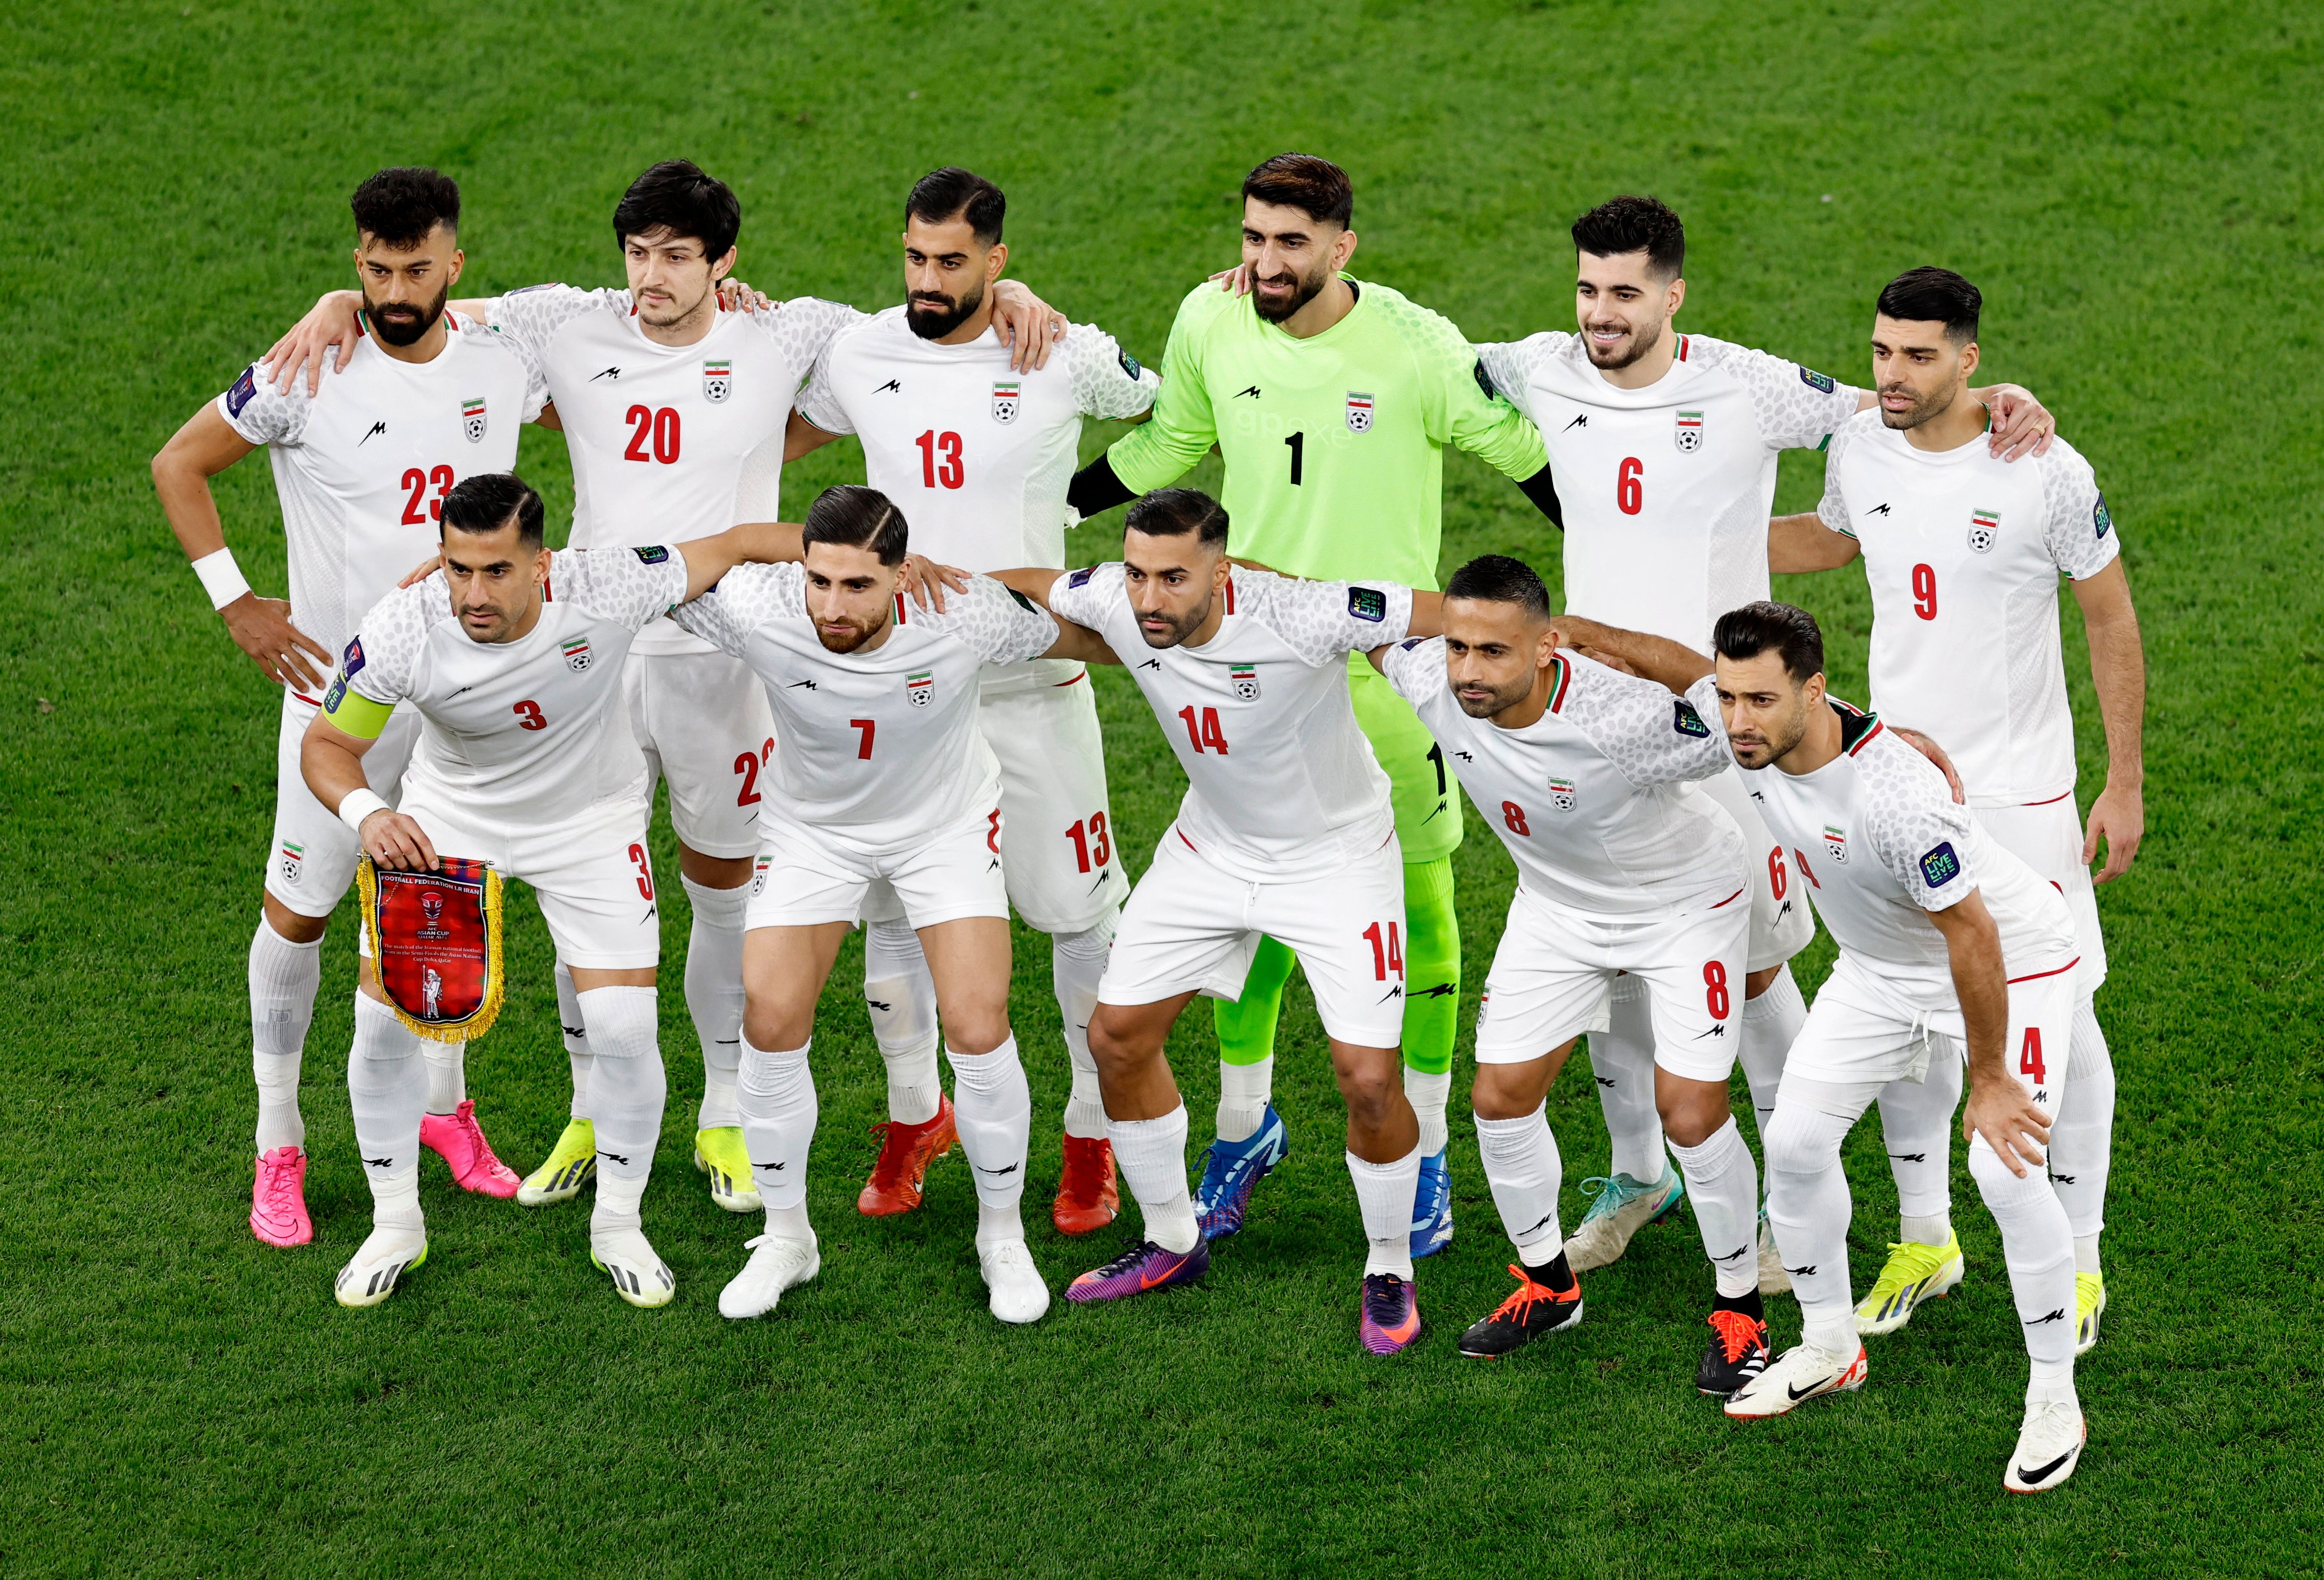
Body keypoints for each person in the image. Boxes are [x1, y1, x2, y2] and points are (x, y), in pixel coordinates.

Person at [263, 161, 1065, 1217]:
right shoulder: (566, 322)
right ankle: (593, 1106)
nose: (651, 276)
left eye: (679, 256)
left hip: (722, 651)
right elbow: (418, 303)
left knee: (720, 888)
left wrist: (1009, 295)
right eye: (639, 253)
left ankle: (725, 1109)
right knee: (574, 873)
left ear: (725, 262)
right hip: (584, 645)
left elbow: (919, 319)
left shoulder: (783, 332)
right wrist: (335, 299)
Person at [1472, 195, 2056, 1284]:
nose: (1603, 315)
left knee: (1754, 969)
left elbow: (1887, 408)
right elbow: (1423, 357)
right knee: (1615, 958)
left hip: (1730, 727)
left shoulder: (1747, 386)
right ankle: (1640, 1173)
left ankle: (1793, 1200)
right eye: (1590, 289)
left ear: (1674, 294)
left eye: (1626, 293)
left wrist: (1991, 399)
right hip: (1597, 721)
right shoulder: (1541, 365)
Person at [1065, 154, 1563, 1257]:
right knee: (1252, 907)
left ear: (1345, 246)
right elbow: (1164, 445)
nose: (1267, 263)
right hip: (1245, 667)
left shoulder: (1415, 346)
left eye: (1292, 243)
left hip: (1385, 675)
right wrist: (1041, 498)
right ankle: (1245, 1124)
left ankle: (1425, 1150)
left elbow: (1529, 457)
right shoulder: (1212, 315)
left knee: (1419, 911)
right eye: (1254, 238)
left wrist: (1635, 568)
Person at [1612, 600, 2087, 1492]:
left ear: (1813, 691)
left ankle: (2055, 1396)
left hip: (2010, 965)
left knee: (2003, 1169)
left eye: (1758, 700)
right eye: (1728, 697)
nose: (1737, 722)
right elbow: (1666, 660)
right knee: (1792, 1146)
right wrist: (1572, 636)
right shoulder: (1757, 730)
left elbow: (1974, 937)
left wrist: (1987, 1078)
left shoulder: (1900, 799)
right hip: (1879, 970)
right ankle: (1829, 1345)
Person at [151, 167, 542, 1248]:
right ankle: (279, 1141)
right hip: (341, 703)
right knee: (302, 909)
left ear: (454, 265)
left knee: (444, 904)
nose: (393, 288)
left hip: (464, 696)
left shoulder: (504, 353)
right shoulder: (303, 370)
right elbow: (179, 462)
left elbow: (630, 344)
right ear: (356, 260)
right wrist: (238, 604)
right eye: (374, 268)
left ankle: (441, 1110)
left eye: (417, 268)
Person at [300, 473, 795, 1308]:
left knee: (626, 1027)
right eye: (458, 568)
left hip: (588, 821)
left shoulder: (606, 583)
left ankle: (619, 1225)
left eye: (496, 570)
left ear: (543, 564)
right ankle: (395, 1223)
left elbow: (737, 544)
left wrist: (891, 562)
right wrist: (368, 814)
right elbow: (326, 745)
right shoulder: (404, 624)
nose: (472, 593)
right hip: (450, 816)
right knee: (381, 1023)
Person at [1770, 266, 2143, 1354]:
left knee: (2062, 1026)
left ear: (1971, 359)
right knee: (1906, 1001)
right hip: (1891, 778)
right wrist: (1684, 537)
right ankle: (1929, 1235)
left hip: (2022, 795)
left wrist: (2123, 781)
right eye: (1883, 351)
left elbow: (2111, 624)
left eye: (1920, 355)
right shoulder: (1858, 443)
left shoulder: (2048, 471)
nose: (1893, 373)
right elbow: (1842, 539)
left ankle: (2079, 1255)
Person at [782, 168, 1159, 1235]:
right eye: (915, 257)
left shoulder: (1059, 350)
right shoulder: (860, 351)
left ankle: (1092, 1135)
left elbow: (1171, 413)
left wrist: (1083, 502)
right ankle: (917, 1114)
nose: (929, 280)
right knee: (892, 902)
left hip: (1034, 684)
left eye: (954, 262)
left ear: (996, 260)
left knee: (1073, 909)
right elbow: (770, 428)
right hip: (905, 689)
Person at [998, 489, 1447, 1355]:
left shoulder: (1302, 612)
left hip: (1337, 860)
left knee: (1366, 1079)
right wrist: (923, 579)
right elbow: (1035, 586)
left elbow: (1443, 614)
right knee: (1117, 1037)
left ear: (1224, 570)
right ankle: (1173, 1240)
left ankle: (1388, 1265)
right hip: (1210, 849)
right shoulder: (1116, 599)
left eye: (1174, 577)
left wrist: (1565, 645)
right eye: (1136, 574)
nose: (1148, 599)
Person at [669, 486, 1098, 1326]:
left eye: (857, 586)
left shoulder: (965, 613)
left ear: (903, 577)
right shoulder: (757, 606)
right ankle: (789, 1239)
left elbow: (1086, 627)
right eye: (819, 581)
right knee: (771, 1012)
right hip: (813, 833)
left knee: (978, 1025)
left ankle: (1001, 1238)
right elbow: (633, 576)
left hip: (942, 828)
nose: (832, 606)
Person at [1369, 556, 1773, 1396]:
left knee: (1691, 1115)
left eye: (1494, 652)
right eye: (1458, 647)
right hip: (1557, 909)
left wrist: (1614, 640)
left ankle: (1742, 1311)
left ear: (1549, 648)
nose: (1470, 672)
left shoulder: (1625, 720)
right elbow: (1353, 623)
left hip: (1683, 906)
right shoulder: (1428, 677)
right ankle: (1550, 1289)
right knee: (1499, 1097)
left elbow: (1743, 708)